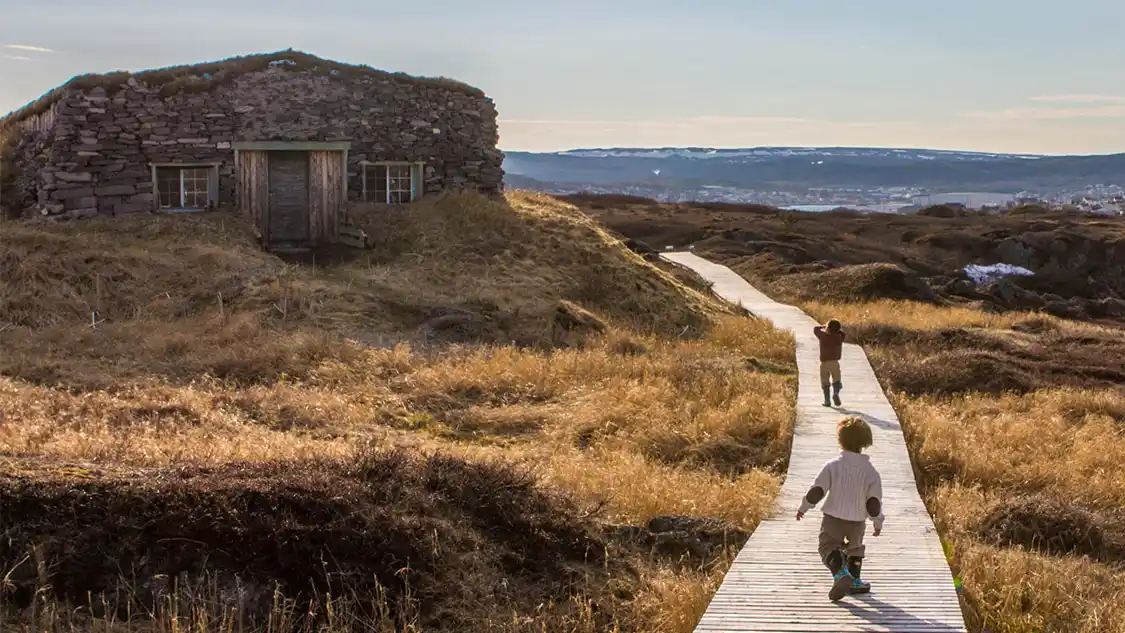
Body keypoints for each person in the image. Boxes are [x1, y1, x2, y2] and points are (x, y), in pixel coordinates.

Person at [795, 415, 885, 601]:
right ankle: (855, 581)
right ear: (865, 443)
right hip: (858, 520)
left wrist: (804, 506)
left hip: (833, 517)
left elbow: (817, 491)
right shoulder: (871, 472)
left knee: (828, 545)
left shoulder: (832, 466)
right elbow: (873, 503)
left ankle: (839, 573)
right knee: (855, 548)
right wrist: (877, 521)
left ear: (840, 440)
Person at [813, 319, 845, 407]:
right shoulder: (839, 337)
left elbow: (815, 329)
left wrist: (823, 326)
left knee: (825, 382)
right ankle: (836, 393)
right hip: (835, 362)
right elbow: (843, 334)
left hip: (824, 363)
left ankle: (827, 401)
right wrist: (838, 330)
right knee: (837, 380)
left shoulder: (823, 336)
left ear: (828, 328)